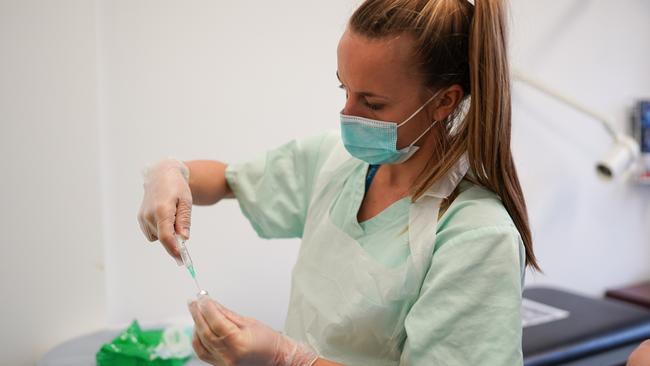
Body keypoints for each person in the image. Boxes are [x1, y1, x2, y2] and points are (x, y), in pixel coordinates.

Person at [138, 0, 540, 364]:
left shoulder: (477, 237)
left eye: (372, 103)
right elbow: (228, 180)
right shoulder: (337, 163)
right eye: (344, 89)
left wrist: (287, 359)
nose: (347, 114)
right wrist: (174, 174)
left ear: (443, 102)